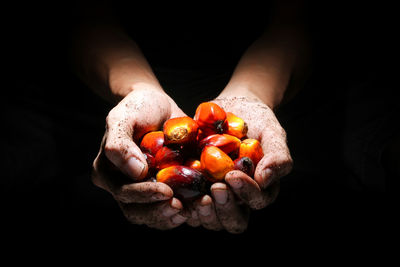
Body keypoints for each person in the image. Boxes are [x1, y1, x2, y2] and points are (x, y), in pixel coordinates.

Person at [69, 1, 308, 233]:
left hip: (277, 79)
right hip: (93, 91)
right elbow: (84, 16)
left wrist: (254, 93)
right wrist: (137, 90)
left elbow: (299, 20)